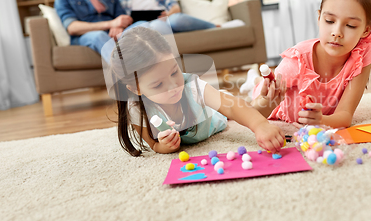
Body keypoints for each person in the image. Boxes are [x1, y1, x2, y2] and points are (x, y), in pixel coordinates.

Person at [106, 26, 285, 156]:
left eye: (174, 72)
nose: (173, 86)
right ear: (136, 89)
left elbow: (231, 108)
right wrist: (165, 146)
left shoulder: (190, 85)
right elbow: (153, 145)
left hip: (217, 111)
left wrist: (261, 126)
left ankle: (253, 81)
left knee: (259, 109)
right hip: (214, 104)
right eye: (158, 85)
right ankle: (253, 84)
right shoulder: (136, 110)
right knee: (261, 106)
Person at [250, 0, 371, 129]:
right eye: (330, 21)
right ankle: (254, 81)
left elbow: (345, 115)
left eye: (350, 25)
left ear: (366, 30)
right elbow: (252, 112)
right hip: (270, 97)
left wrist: (321, 120)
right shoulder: (296, 62)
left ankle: (253, 79)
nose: (337, 33)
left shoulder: (363, 53)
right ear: (319, 18)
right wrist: (266, 100)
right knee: (261, 87)